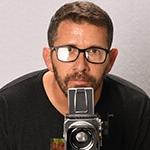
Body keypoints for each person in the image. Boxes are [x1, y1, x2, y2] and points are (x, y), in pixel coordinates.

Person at [0, 1, 150, 150]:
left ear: (110, 60)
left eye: (94, 51)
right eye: (68, 50)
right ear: (48, 58)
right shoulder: (8, 108)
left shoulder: (137, 108)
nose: (81, 67)